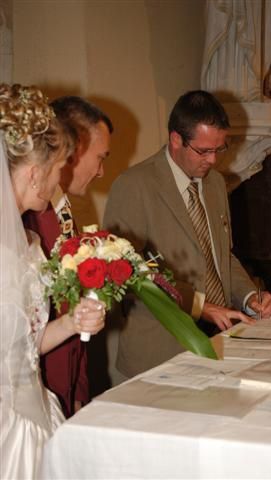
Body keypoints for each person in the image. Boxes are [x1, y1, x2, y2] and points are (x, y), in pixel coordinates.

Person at [103, 90, 271, 378]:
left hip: (219, 338)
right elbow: (128, 274)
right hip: (159, 350)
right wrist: (199, 306)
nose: (212, 160)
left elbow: (220, 256)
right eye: (203, 151)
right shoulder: (134, 185)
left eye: (219, 149)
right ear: (176, 139)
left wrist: (248, 296)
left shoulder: (216, 183)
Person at [0, 84, 106, 479]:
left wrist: (71, 323)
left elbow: (24, 346)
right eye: (59, 165)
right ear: (34, 173)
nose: (62, 173)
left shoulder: (27, 244)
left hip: (40, 415)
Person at [23, 96, 113, 416]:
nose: (101, 171)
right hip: (37, 390)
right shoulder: (25, 221)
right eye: (100, 157)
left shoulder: (63, 209)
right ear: (73, 147)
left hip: (67, 389)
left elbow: (72, 307)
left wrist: (79, 387)